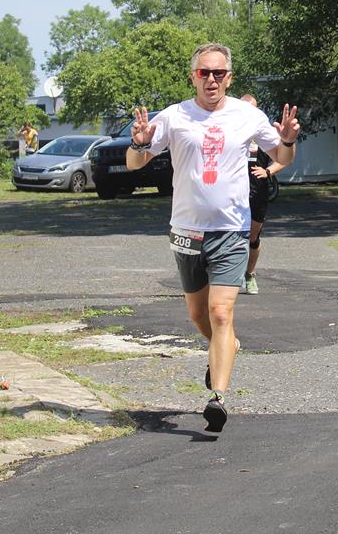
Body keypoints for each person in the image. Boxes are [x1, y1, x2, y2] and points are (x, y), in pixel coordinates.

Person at [126, 43, 298, 432]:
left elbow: (283, 158)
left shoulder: (247, 115)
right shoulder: (174, 116)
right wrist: (138, 143)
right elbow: (135, 164)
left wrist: (287, 141)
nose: (211, 79)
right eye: (204, 72)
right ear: (194, 77)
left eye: (218, 73)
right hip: (186, 229)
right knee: (198, 314)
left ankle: (217, 398)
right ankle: (227, 345)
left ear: (229, 78)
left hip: (232, 229)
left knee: (221, 312)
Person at [239, 93, 288, 295]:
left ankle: (249, 274)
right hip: (233, 187)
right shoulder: (230, 129)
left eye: (253, 109)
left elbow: (284, 158)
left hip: (257, 187)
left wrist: (268, 171)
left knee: (253, 235)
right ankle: (221, 277)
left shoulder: (262, 131)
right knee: (225, 233)